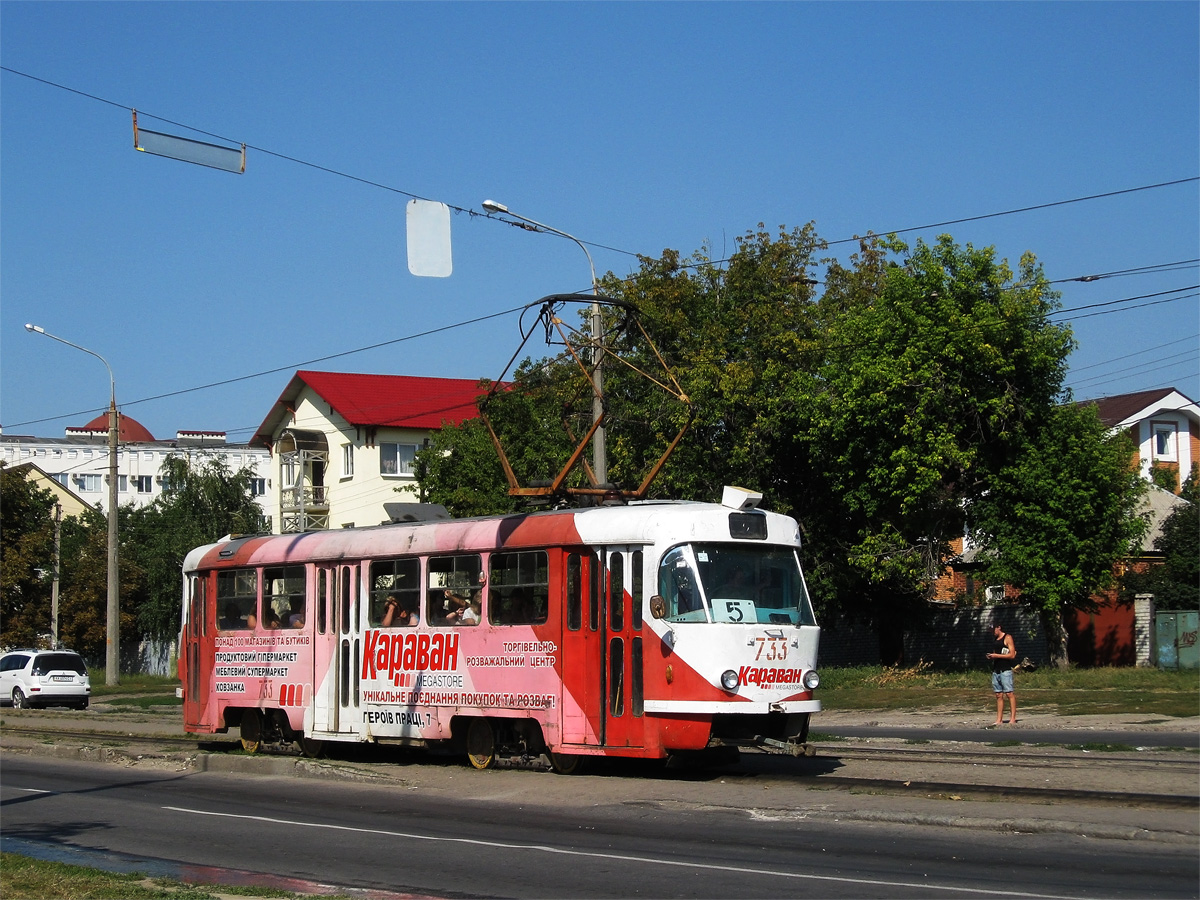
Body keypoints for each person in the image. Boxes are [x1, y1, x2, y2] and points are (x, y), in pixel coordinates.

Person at [986, 621, 1018, 726]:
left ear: (998, 627)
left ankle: (1012, 718)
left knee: (1009, 693)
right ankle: (999, 719)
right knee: (998, 694)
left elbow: (1012, 655)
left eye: (993, 629)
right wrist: (992, 656)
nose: (992, 632)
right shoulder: (995, 639)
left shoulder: (1007, 637)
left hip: (1005, 670)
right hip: (996, 669)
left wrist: (997, 656)